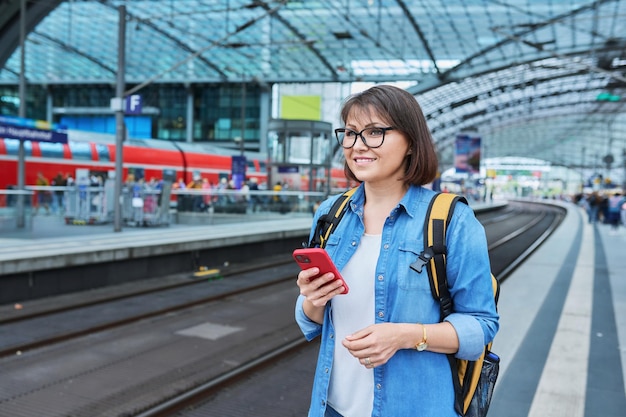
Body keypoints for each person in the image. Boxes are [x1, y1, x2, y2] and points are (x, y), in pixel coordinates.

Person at [295, 85, 499, 417]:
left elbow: (481, 327)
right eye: (350, 133)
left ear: (411, 143)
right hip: (330, 408)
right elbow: (311, 321)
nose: (358, 145)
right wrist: (313, 298)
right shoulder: (331, 214)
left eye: (375, 132)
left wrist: (406, 335)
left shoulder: (451, 220)